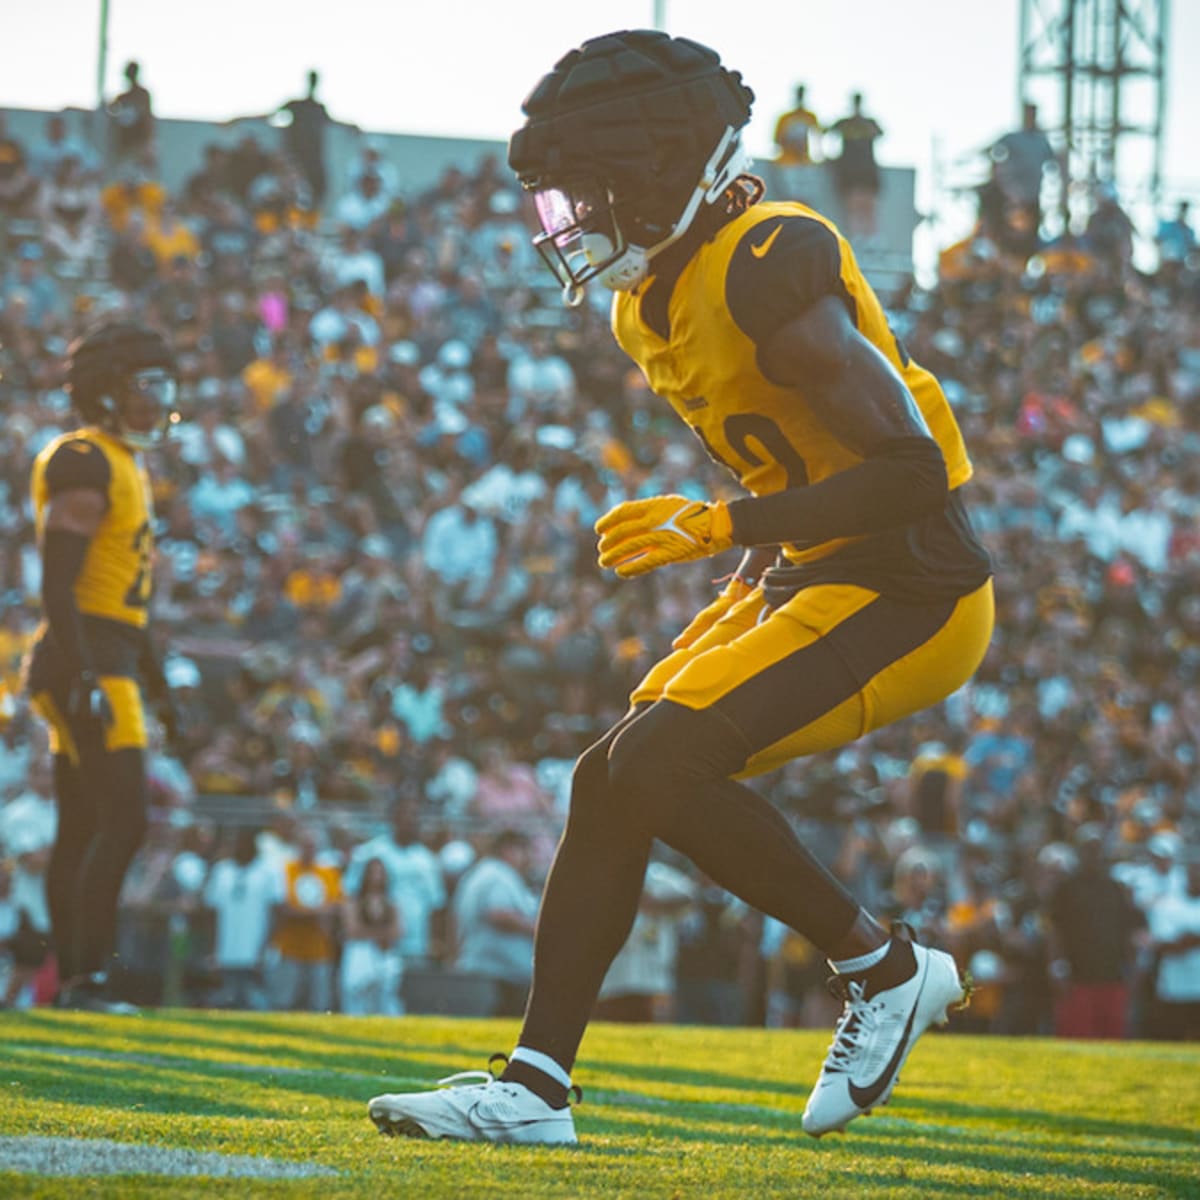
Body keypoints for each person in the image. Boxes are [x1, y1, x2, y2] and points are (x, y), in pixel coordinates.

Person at [368, 28, 993, 1145]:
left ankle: (886, 968)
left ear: (654, 175)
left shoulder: (770, 261)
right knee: (608, 781)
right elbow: (793, 450)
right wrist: (755, 553)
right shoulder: (644, 299)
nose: (564, 223)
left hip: (916, 585)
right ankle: (534, 1090)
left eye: (581, 194)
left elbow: (906, 476)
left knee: (657, 761)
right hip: (816, 568)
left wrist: (725, 528)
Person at [22, 320, 181, 1013]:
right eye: (145, 386)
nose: (159, 400)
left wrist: (164, 691)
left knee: (87, 825)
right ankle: (86, 977)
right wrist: (85, 671)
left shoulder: (123, 460)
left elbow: (129, 600)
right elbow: (60, 585)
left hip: (103, 654)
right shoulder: (84, 457)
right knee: (124, 820)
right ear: (106, 392)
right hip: (85, 658)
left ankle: (78, 980)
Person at [826, 91, 884, 239]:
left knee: (869, 206)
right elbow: (827, 133)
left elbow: (880, 134)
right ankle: (856, 237)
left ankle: (871, 238)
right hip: (850, 169)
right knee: (852, 205)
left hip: (867, 168)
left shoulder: (869, 123)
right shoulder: (844, 123)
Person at [107, 60, 155, 168]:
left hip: (140, 142)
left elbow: (148, 119)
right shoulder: (122, 97)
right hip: (125, 141)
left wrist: (148, 143)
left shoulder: (143, 94)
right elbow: (111, 109)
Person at [773, 84, 821, 166]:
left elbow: (819, 136)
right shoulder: (784, 118)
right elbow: (776, 140)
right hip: (786, 163)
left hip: (805, 163)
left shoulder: (810, 116)